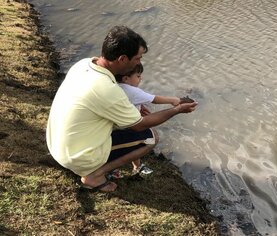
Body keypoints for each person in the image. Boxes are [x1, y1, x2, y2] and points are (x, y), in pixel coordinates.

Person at [46, 25, 197, 192]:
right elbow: (139, 125)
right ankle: (94, 176)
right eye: (138, 58)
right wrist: (176, 110)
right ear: (123, 59)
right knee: (150, 137)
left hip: (57, 147)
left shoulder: (84, 65)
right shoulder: (107, 88)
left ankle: (85, 164)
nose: (139, 63)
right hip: (76, 157)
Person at [115, 63, 181, 175]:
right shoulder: (131, 90)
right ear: (126, 78)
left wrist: (140, 107)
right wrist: (174, 100)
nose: (141, 78)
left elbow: (131, 102)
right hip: (126, 127)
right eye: (138, 76)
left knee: (129, 146)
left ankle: (134, 166)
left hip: (117, 126)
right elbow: (154, 99)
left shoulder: (115, 86)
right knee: (142, 142)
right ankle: (136, 167)